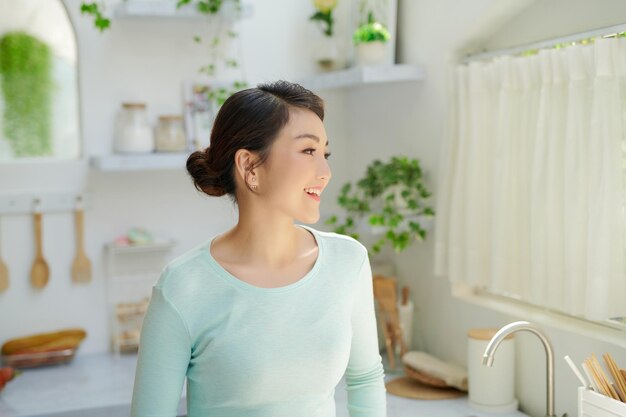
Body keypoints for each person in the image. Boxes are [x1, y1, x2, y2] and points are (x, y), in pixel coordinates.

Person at [130, 80, 387, 417]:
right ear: (249, 166)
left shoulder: (348, 262)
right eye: (308, 151)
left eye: (325, 153)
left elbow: (365, 379)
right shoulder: (183, 286)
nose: (325, 172)